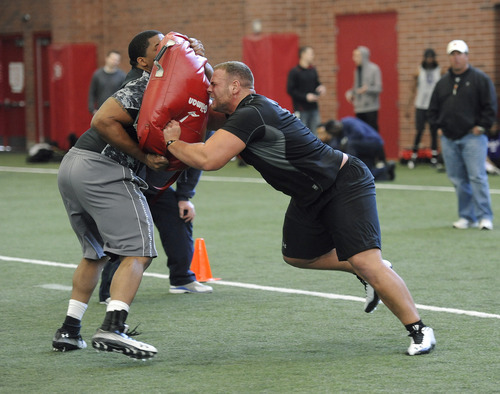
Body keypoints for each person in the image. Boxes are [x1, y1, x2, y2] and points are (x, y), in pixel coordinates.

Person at [163, 61, 436, 356]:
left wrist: (171, 142)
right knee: (297, 255)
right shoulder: (243, 113)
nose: (208, 88)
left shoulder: (251, 113)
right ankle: (369, 270)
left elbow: (208, 160)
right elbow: (205, 119)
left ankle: (420, 330)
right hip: (309, 194)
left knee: (367, 261)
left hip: (343, 182)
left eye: (213, 83)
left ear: (234, 87)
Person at [52, 30, 210, 360]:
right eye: (158, 47)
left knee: (95, 253)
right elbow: (102, 119)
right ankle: (113, 327)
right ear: (143, 61)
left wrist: (196, 56)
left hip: (74, 165)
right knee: (139, 250)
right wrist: (144, 158)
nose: (167, 49)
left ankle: (69, 329)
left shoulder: (156, 80)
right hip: (103, 167)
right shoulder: (146, 84)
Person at [428, 40, 497, 231]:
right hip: (449, 138)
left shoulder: (480, 79)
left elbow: (490, 107)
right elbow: (432, 109)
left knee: (477, 177)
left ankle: (485, 217)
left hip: (472, 137)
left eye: (459, 53)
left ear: (467, 55)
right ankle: (467, 217)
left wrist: (482, 127)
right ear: (449, 57)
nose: (456, 57)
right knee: (458, 179)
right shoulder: (442, 83)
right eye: (452, 54)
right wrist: (438, 127)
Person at [321, 117, 395, 181]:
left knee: (350, 145)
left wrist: (345, 142)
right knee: (364, 174)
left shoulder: (348, 122)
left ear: (336, 125)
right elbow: (336, 147)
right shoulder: (338, 133)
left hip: (373, 143)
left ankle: (350, 169)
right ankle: (386, 170)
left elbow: (360, 133)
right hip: (364, 149)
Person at [406, 48, 442, 169]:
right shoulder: (419, 70)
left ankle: (434, 158)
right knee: (419, 130)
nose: (430, 60)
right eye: (428, 57)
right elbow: (412, 90)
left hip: (433, 106)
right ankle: (414, 156)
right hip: (420, 105)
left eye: (432, 57)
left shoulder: (439, 70)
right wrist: (408, 106)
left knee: (433, 132)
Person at [287, 46, 326, 134]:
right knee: (303, 134)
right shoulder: (294, 72)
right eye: (311, 54)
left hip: (314, 108)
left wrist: (321, 87)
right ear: (303, 55)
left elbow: (317, 84)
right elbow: (290, 90)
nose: (313, 56)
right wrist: (305, 97)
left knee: (316, 134)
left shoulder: (313, 70)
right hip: (301, 109)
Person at [345, 46, 382, 132]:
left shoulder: (374, 69)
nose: (354, 59)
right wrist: (350, 93)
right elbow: (355, 88)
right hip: (359, 107)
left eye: (357, 56)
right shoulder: (357, 71)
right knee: (361, 133)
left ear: (364, 56)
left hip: (371, 108)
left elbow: (378, 88)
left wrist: (367, 89)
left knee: (372, 132)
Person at [87, 50, 126, 114]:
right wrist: (92, 109)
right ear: (107, 58)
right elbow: (92, 92)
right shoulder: (97, 75)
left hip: (116, 111)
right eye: (113, 59)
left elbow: (124, 94)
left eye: (117, 60)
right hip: (100, 110)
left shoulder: (122, 76)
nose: (114, 61)